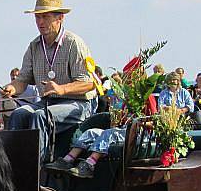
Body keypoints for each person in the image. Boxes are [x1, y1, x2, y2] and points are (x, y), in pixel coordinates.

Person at [2, 0, 96, 162]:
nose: (40, 22)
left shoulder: (73, 43)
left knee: (40, 116)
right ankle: (11, 165)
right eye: (37, 17)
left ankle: (36, 168)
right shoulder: (34, 46)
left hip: (77, 104)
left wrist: (62, 89)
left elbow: (89, 84)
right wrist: (11, 88)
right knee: (18, 114)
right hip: (47, 102)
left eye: (45, 17)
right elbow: (23, 80)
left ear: (60, 18)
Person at [46, 72, 193, 179]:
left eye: (130, 82)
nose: (127, 85)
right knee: (91, 132)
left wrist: (138, 122)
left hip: (141, 135)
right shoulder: (127, 100)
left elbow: (154, 121)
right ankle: (68, 160)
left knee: (108, 134)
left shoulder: (147, 99)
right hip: (125, 131)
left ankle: (90, 164)